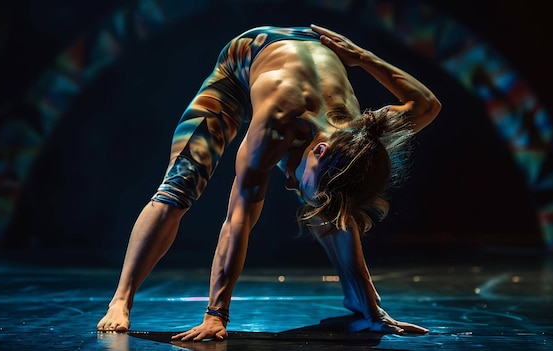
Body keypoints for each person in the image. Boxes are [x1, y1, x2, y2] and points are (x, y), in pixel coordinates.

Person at [97, 24, 441, 340]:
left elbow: (427, 105)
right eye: (301, 180)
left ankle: (363, 299)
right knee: (180, 185)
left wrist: (362, 57)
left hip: (308, 71)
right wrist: (216, 314)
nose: (290, 186)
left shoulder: (363, 135)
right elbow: (238, 220)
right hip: (244, 62)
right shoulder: (273, 126)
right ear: (318, 150)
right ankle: (121, 299)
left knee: (333, 201)